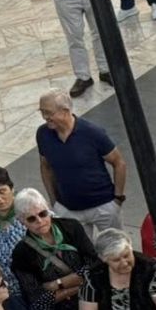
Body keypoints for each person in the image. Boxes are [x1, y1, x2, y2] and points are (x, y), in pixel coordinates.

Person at [36, 90, 126, 237]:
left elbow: (119, 162)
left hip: (103, 206)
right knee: (81, 255)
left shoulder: (92, 133)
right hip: (68, 209)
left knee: (117, 247)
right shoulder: (42, 134)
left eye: (49, 113)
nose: (45, 117)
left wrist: (117, 199)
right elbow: (45, 167)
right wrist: (54, 201)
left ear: (65, 111)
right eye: (42, 112)